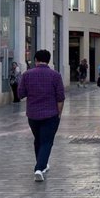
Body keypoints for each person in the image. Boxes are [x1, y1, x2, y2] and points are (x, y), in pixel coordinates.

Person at [17, 50, 65, 182]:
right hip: (51, 114)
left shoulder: (27, 75)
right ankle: (39, 167)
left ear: (36, 59)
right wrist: (59, 113)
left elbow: (20, 94)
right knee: (47, 141)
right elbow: (60, 97)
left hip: (32, 114)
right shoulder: (55, 75)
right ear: (48, 60)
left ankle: (42, 165)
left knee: (38, 139)